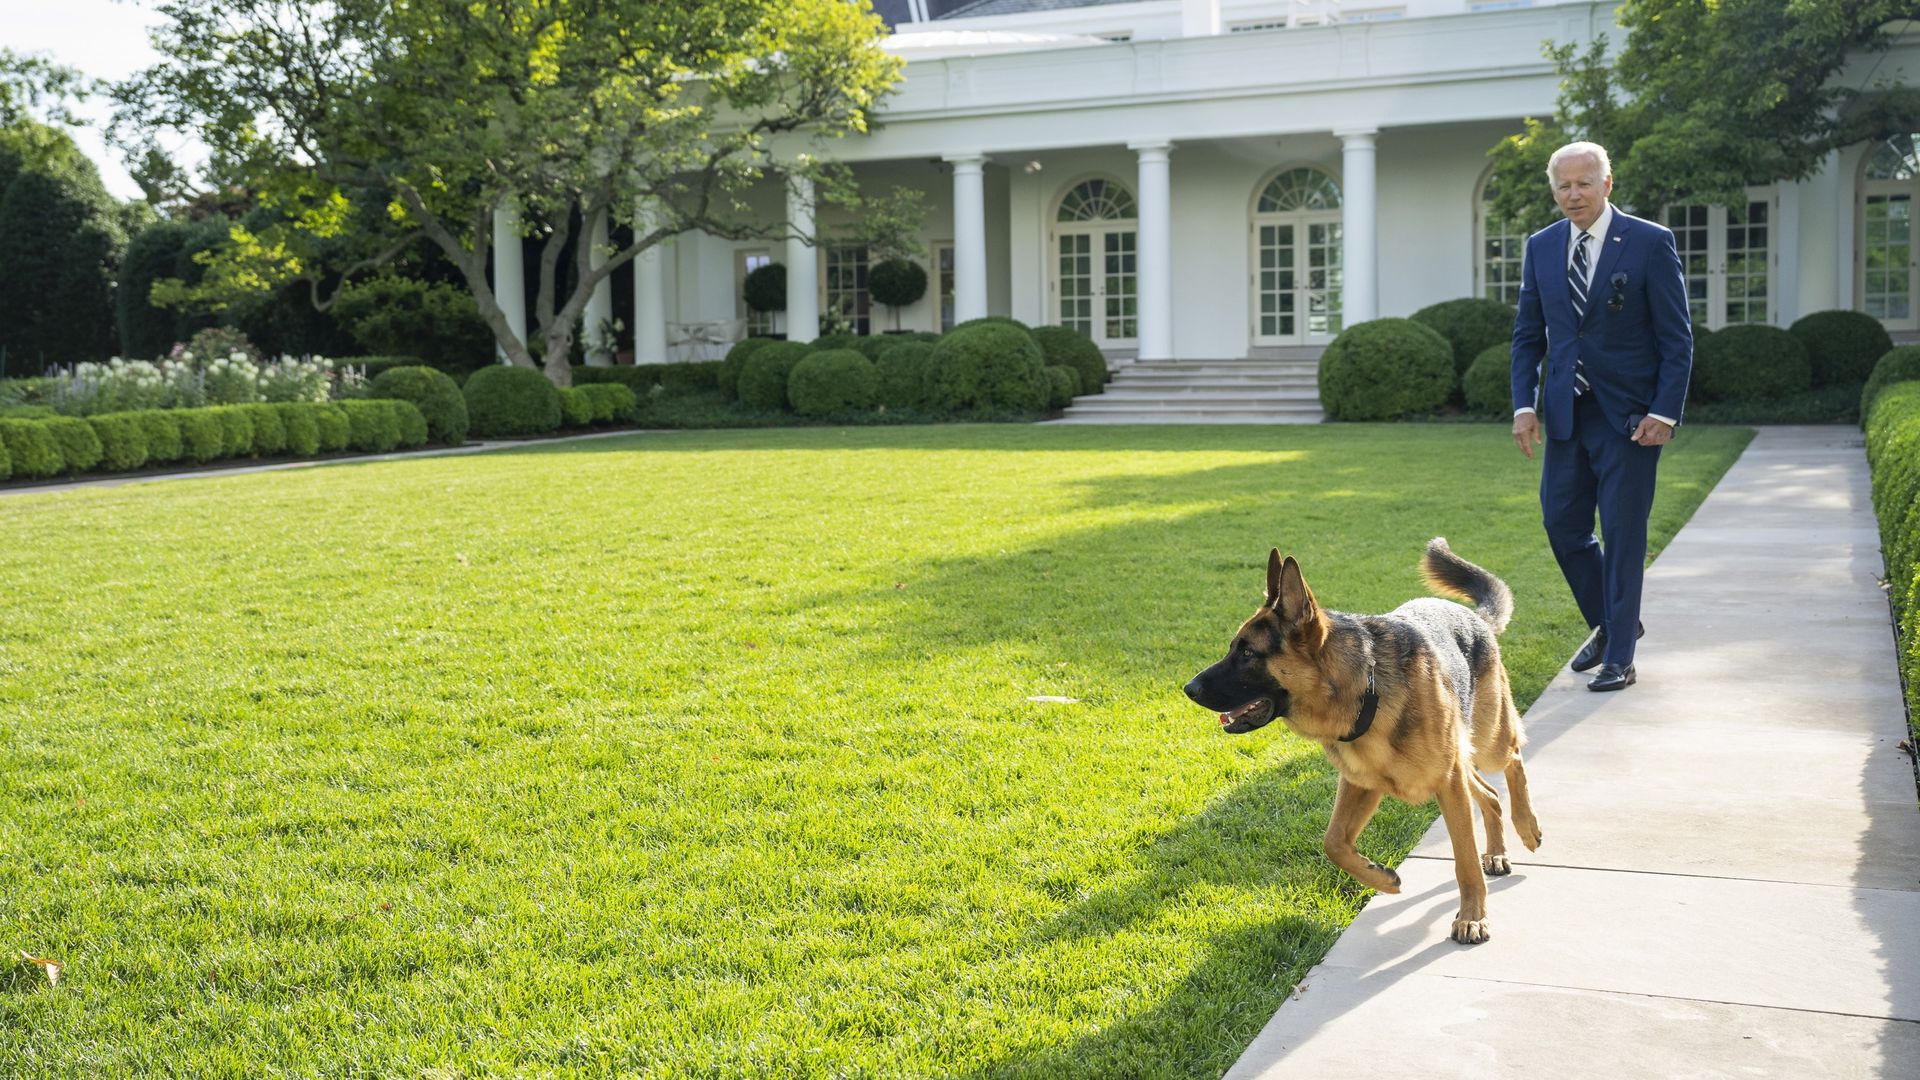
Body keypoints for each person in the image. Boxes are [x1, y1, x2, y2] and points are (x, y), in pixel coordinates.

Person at [1510, 141, 1692, 692]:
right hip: (1566, 413)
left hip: (1631, 420)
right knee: (1562, 526)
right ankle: (1615, 624)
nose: (1573, 195)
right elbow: (1528, 335)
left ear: (1607, 184)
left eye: (1583, 183)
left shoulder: (1649, 242)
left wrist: (1664, 412)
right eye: (1563, 186)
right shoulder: (1542, 246)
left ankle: (1619, 658)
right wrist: (1524, 405)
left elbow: (1677, 338)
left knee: (1622, 533)